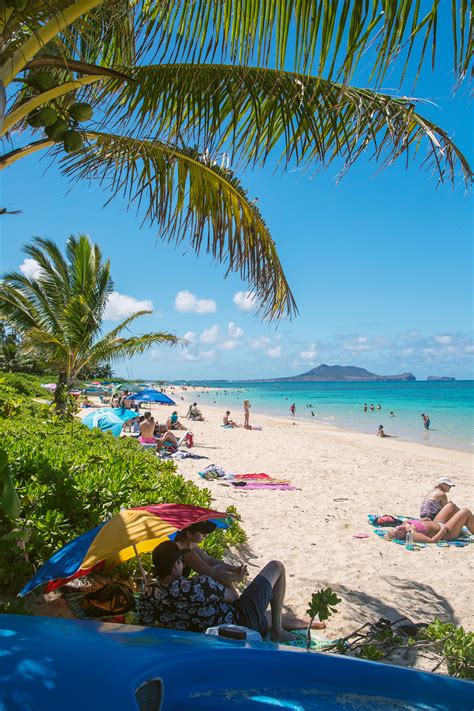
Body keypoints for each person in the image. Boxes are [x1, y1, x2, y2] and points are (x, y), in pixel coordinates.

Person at [138, 541, 322, 641]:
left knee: (264, 617)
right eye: (181, 561)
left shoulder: (148, 593)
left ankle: (302, 623)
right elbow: (234, 598)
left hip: (202, 632)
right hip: (236, 624)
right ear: (176, 565)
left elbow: (145, 624)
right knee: (277, 567)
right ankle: (278, 631)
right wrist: (222, 577)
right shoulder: (198, 586)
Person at [174, 521, 247, 592]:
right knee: (219, 571)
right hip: (177, 590)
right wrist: (239, 577)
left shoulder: (188, 543)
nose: (206, 535)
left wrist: (234, 569)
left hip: (181, 585)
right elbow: (214, 574)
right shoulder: (185, 552)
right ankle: (237, 601)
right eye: (202, 533)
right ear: (189, 533)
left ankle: (236, 600)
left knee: (220, 568)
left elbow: (209, 560)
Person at [386, 505, 474, 544]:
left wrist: (422, 520)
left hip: (437, 523)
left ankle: (460, 525)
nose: (398, 529)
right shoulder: (412, 534)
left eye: (395, 528)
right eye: (398, 532)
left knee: (450, 506)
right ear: (401, 537)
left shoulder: (405, 524)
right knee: (465, 512)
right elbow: (432, 540)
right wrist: (443, 531)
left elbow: (417, 522)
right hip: (447, 533)